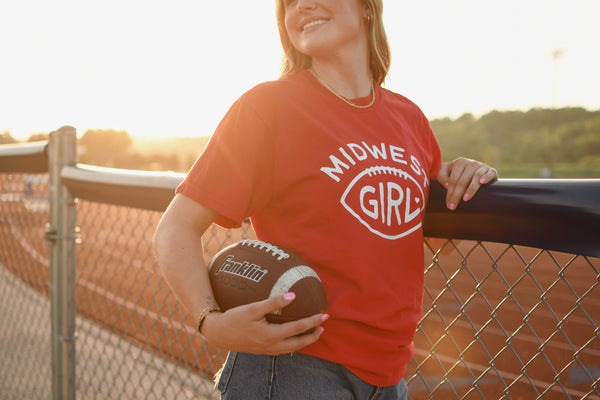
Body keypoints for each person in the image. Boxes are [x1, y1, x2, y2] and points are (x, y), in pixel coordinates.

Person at [152, 0, 498, 399]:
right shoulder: (267, 108)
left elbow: (430, 241)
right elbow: (175, 228)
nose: (302, 5)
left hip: (390, 375)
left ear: (367, 8)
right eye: (288, 2)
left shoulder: (410, 118)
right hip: (292, 368)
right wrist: (209, 322)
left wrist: (466, 178)